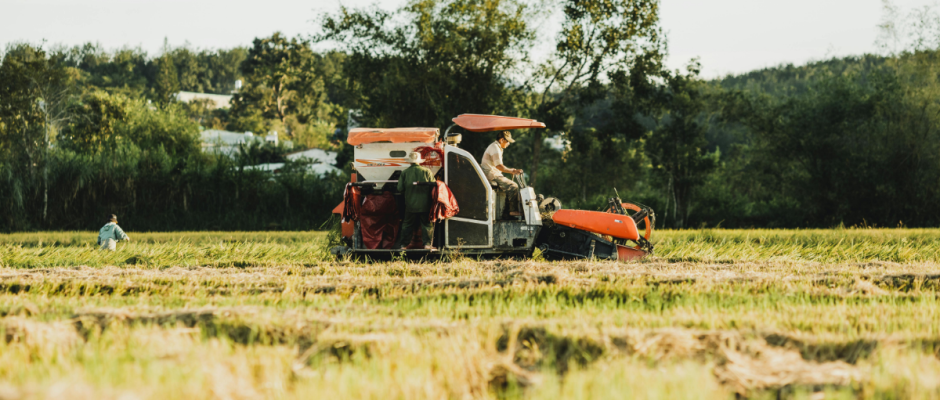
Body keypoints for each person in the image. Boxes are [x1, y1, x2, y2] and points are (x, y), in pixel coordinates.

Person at [394, 152, 435, 249]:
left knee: (407, 224)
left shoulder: (405, 172)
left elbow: (400, 188)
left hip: (410, 204)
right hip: (425, 204)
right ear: (419, 161)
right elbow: (434, 187)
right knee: (427, 224)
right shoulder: (427, 171)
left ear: (410, 162)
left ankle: (403, 245)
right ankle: (427, 245)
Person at [480, 131, 524, 216]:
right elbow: (499, 166)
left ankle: (506, 212)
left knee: (510, 185)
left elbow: (499, 166)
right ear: (502, 140)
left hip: (493, 173)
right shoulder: (495, 148)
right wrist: (512, 171)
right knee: (513, 186)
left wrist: (511, 170)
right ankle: (512, 211)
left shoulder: (496, 146)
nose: (508, 144)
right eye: (508, 141)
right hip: (491, 174)